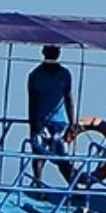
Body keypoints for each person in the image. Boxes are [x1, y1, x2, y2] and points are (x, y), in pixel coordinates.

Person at [26, 44, 77, 184]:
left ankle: (73, 186)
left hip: (59, 123)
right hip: (41, 121)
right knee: (38, 154)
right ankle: (38, 183)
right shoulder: (35, 75)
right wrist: (33, 124)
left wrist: (73, 123)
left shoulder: (65, 74)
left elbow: (68, 98)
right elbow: (32, 101)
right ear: (44, 52)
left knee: (62, 157)